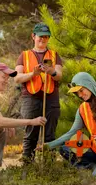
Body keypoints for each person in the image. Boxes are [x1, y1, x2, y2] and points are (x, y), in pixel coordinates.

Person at [14, 23, 63, 162]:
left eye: (46, 37)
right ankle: (27, 169)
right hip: (30, 98)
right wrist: (33, 74)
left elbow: (59, 75)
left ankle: (49, 168)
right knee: (31, 135)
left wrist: (51, 71)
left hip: (51, 98)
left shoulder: (54, 55)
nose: (43, 39)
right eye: (41, 36)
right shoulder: (24, 56)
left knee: (50, 136)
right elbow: (17, 78)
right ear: (33, 36)